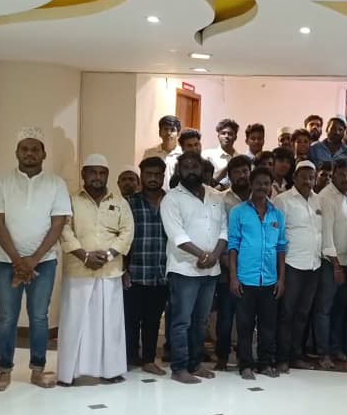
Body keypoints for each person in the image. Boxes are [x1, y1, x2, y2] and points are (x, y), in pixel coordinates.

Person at [0, 127, 72, 390]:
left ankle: (37, 370)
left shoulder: (56, 184)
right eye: (24, 149)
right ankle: (4, 372)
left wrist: (33, 260)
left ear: (44, 154)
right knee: (7, 318)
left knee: (39, 317)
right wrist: (18, 260)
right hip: (5, 261)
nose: (29, 153)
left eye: (35, 149)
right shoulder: (1, 183)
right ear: (17, 152)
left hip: (43, 262)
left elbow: (58, 224)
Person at [57, 155, 134, 387]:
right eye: (92, 172)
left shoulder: (120, 202)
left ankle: (111, 371)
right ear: (84, 174)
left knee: (110, 324)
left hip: (109, 271)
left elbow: (127, 232)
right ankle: (68, 373)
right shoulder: (71, 201)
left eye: (102, 173)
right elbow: (64, 231)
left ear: (107, 175)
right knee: (75, 323)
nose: (97, 177)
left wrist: (108, 255)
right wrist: (85, 256)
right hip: (78, 271)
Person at [161, 152, 228, 384]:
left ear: (202, 169)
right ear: (179, 171)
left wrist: (214, 256)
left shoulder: (215, 196)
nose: (191, 171)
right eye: (186, 167)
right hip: (184, 269)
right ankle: (179, 368)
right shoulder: (172, 199)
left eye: (195, 167)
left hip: (211, 269)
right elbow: (176, 235)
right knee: (182, 320)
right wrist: (202, 255)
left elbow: (223, 230)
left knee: (201, 321)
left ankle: (195, 364)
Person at [228, 167, 289, 380]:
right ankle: (245, 364)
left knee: (268, 326)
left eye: (266, 183)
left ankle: (265, 363)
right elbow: (233, 246)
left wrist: (281, 279)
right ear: (251, 185)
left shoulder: (277, 214)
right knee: (244, 326)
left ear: (271, 186)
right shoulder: (238, 212)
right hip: (246, 279)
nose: (262, 187)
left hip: (270, 280)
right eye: (258, 183)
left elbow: (281, 248)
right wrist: (233, 277)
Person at [273, 160, 324, 371]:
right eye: (303, 177)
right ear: (294, 178)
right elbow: (276, 235)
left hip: (314, 265)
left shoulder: (318, 200)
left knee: (303, 314)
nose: (308, 181)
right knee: (287, 313)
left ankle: (296, 355)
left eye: (311, 178)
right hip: (291, 265)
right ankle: (282, 358)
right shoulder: (282, 200)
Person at [124, 156, 170, 377]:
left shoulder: (171, 202)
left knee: (153, 319)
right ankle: (129, 357)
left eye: (157, 174)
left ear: (163, 176)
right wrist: (124, 269)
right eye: (148, 174)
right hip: (135, 271)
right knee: (131, 319)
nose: (152, 178)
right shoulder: (129, 203)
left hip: (162, 272)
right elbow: (122, 238)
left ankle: (149, 360)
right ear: (141, 176)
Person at [316, 158, 347, 369]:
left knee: (340, 308)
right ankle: (323, 353)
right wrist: (335, 266)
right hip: (330, 262)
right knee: (324, 309)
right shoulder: (326, 197)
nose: (346, 178)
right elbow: (326, 234)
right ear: (333, 175)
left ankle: (335, 348)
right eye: (341, 174)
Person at [213, 156, 252, 370]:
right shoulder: (221, 199)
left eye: (245, 171)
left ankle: (245, 357)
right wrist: (225, 260)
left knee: (246, 316)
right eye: (236, 172)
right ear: (229, 176)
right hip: (226, 265)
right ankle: (222, 356)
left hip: (251, 267)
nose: (242, 175)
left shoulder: (259, 199)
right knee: (226, 317)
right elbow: (217, 231)